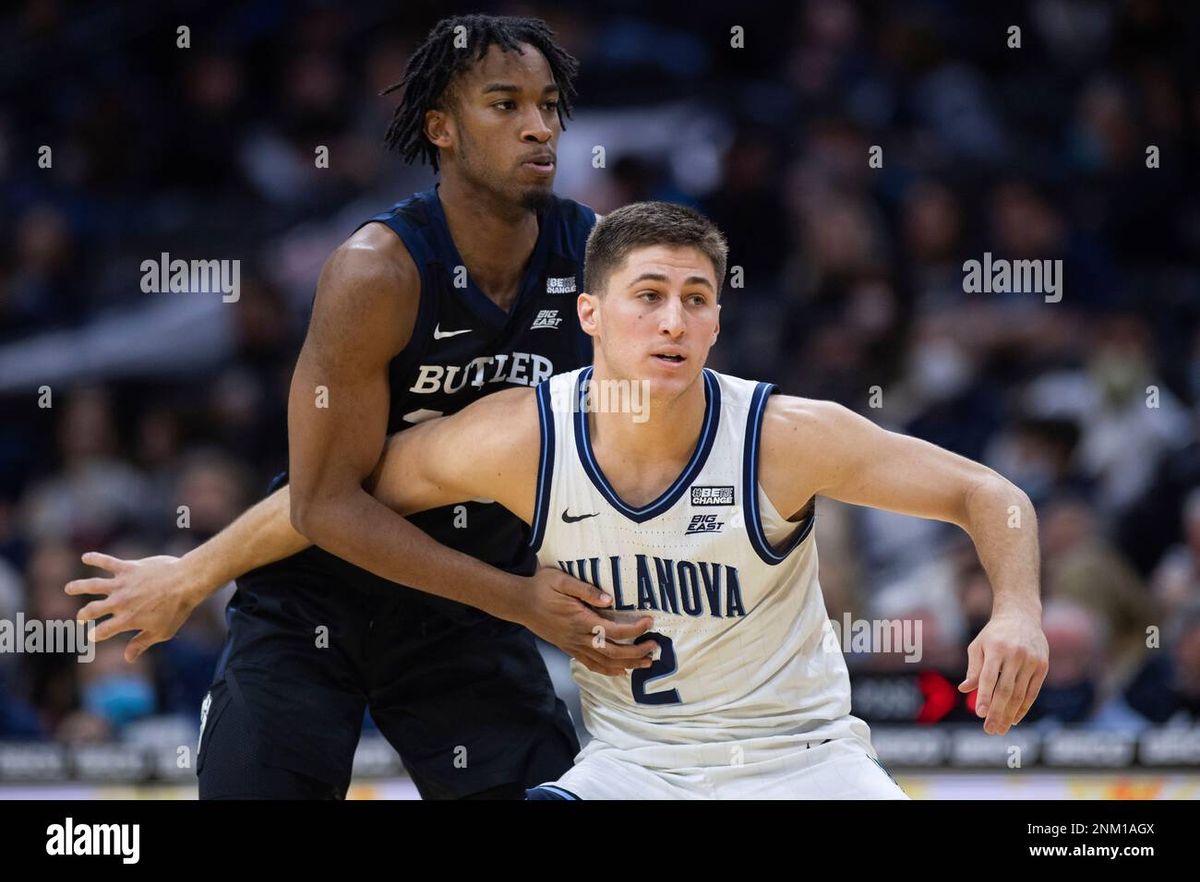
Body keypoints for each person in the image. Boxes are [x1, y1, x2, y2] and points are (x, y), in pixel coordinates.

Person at [74, 202, 1050, 798]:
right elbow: (328, 496)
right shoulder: (522, 437)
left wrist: (1015, 611)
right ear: (590, 316)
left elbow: (987, 492)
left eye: (697, 298)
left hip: (799, 764)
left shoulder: (784, 438)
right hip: (628, 774)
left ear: (719, 321)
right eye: (649, 294)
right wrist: (193, 570)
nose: (673, 319)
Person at [68, 14, 662, 801]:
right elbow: (323, 504)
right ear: (441, 128)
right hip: (319, 597)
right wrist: (521, 600)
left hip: (463, 608)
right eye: (505, 104)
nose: (539, 127)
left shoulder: (593, 259)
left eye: (549, 105)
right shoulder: (375, 272)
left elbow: (636, 444)